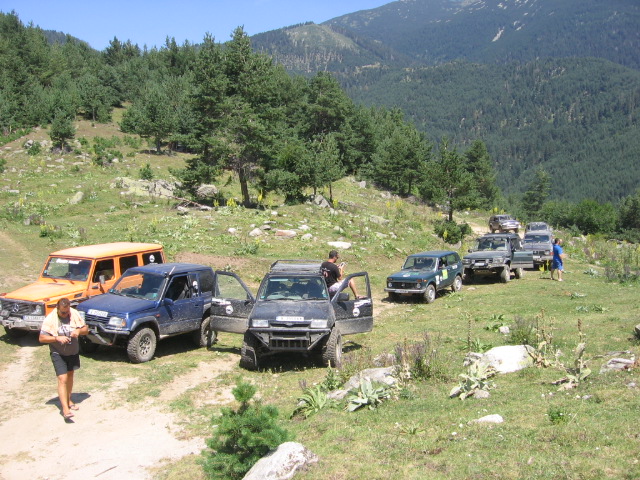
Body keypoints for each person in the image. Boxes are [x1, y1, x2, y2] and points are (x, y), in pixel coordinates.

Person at [39, 298, 89, 421]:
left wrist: (78, 330)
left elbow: (86, 329)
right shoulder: (50, 319)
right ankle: (65, 410)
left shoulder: (74, 314)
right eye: (63, 312)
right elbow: (42, 338)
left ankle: (68, 399)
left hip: (72, 352)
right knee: (63, 378)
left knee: (70, 376)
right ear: (57, 309)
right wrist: (57, 338)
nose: (65, 314)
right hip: (58, 353)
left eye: (67, 312)